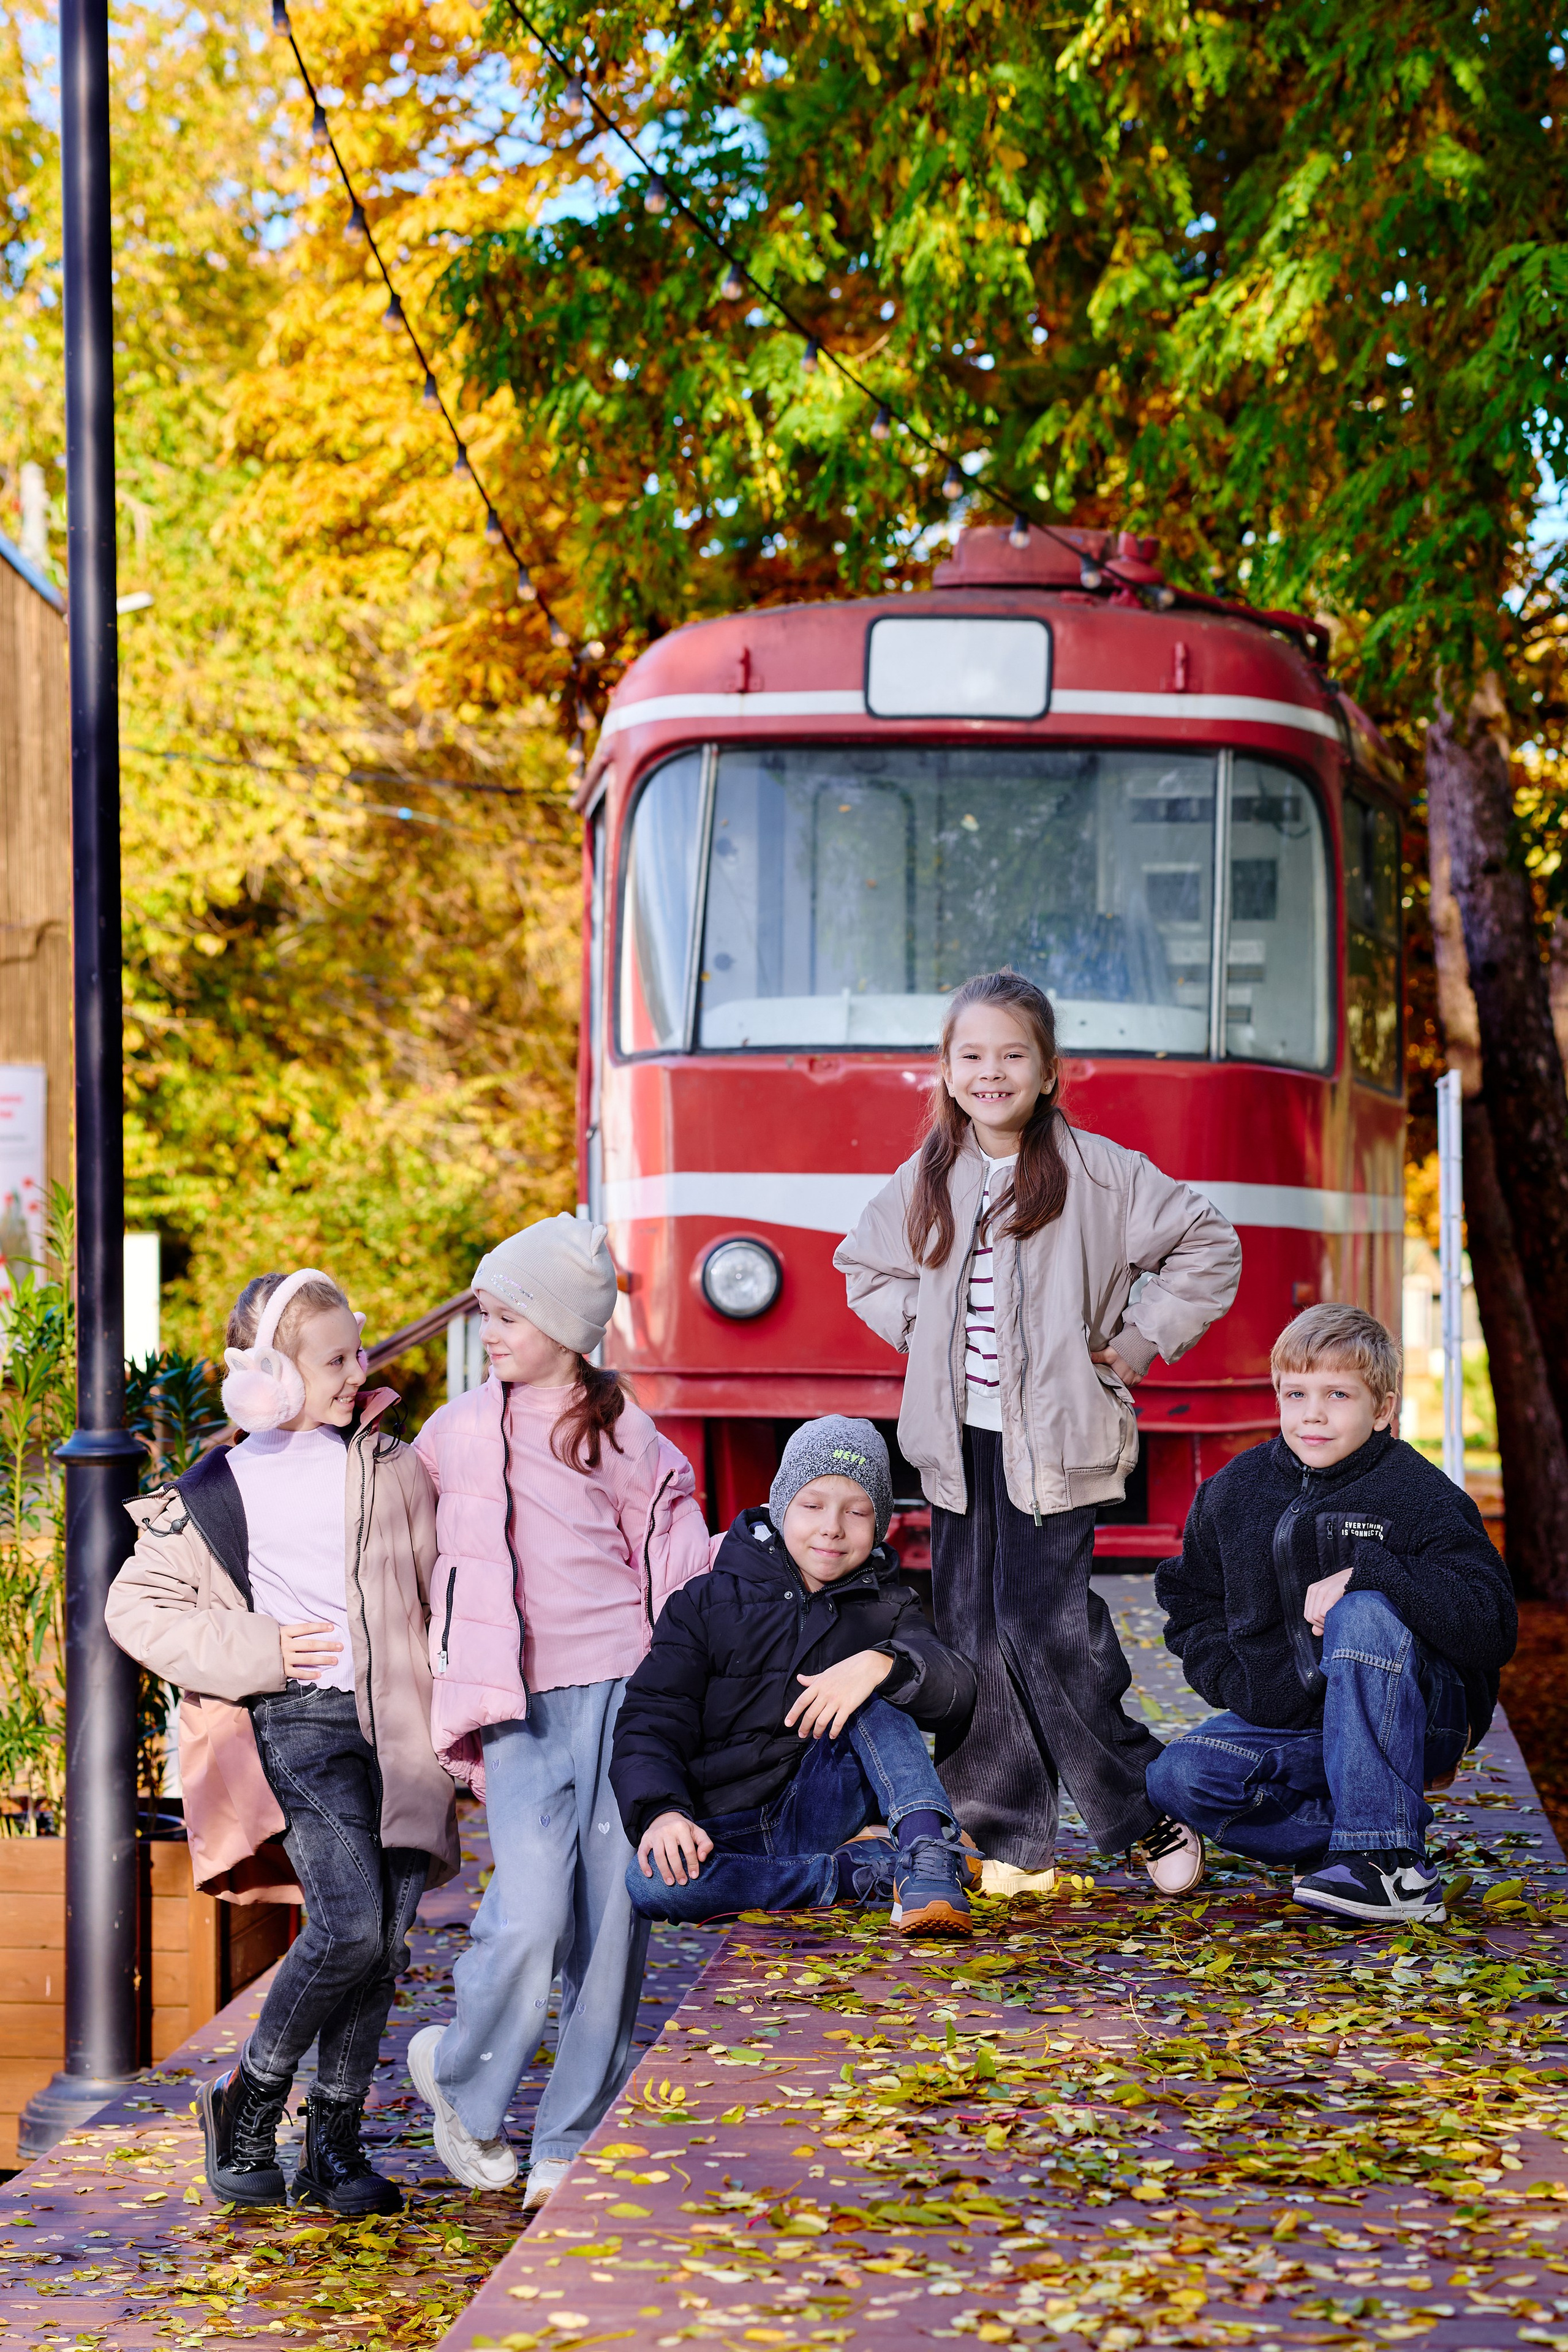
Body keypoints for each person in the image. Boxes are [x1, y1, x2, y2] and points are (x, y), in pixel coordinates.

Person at [834, 970, 1241, 1898]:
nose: (991, 1072)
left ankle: (1141, 1810)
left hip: (1056, 1441)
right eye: (971, 1055)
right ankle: (1000, 1833)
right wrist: (923, 1332)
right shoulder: (930, 1176)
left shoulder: (1102, 1174)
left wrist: (1138, 1341)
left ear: (1050, 1071)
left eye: (1011, 1055)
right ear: (944, 1070)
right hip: (957, 1445)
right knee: (974, 1633)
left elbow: (1209, 1243)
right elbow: (862, 1265)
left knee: (1047, 1628)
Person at [105, 1268, 459, 2215]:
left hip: (401, 1725)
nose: (360, 1371)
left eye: (359, 1351)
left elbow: (440, 1595)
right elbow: (134, 1608)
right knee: (345, 1926)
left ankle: (333, 2145)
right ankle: (248, 2099)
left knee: (383, 1941)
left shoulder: (391, 1465)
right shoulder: (215, 1489)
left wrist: (461, 1710)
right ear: (268, 1377)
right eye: (336, 1359)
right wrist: (260, 1649)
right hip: (297, 1723)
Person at [404, 1215, 711, 2211]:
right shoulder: (451, 1434)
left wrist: (689, 1683)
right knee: (530, 1915)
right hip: (520, 1704)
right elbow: (395, 1547)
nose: (488, 1331)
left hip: (627, 1694)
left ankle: (570, 2137)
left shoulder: (621, 1429)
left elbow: (672, 1554)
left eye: (506, 1314)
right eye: (485, 1313)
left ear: (566, 1327)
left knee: (614, 1924)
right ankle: (460, 2077)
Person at [1148, 1302, 1518, 1923]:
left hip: (1416, 1718)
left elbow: (1491, 1623)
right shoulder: (1233, 1492)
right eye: (1296, 1393)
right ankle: (1346, 1849)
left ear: (1382, 1410)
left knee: (1364, 1610)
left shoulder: (1419, 1494)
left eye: (1338, 1394)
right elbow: (1190, 1604)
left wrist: (1372, 1573)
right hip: (1293, 1722)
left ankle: (1389, 1863)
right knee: (1178, 1776)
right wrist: (1237, 1683)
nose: (1312, 1413)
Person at [611, 1417, 982, 1936]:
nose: (832, 1527)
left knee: (879, 1688)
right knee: (652, 1885)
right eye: (812, 1506)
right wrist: (662, 1813)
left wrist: (880, 1664)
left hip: (823, 1805)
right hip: (728, 1827)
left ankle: (928, 1852)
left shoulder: (889, 1608)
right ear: (779, 1506)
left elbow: (957, 1689)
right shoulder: (705, 1602)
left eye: (856, 1512)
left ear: (880, 1526)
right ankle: (858, 1876)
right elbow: (650, 1719)